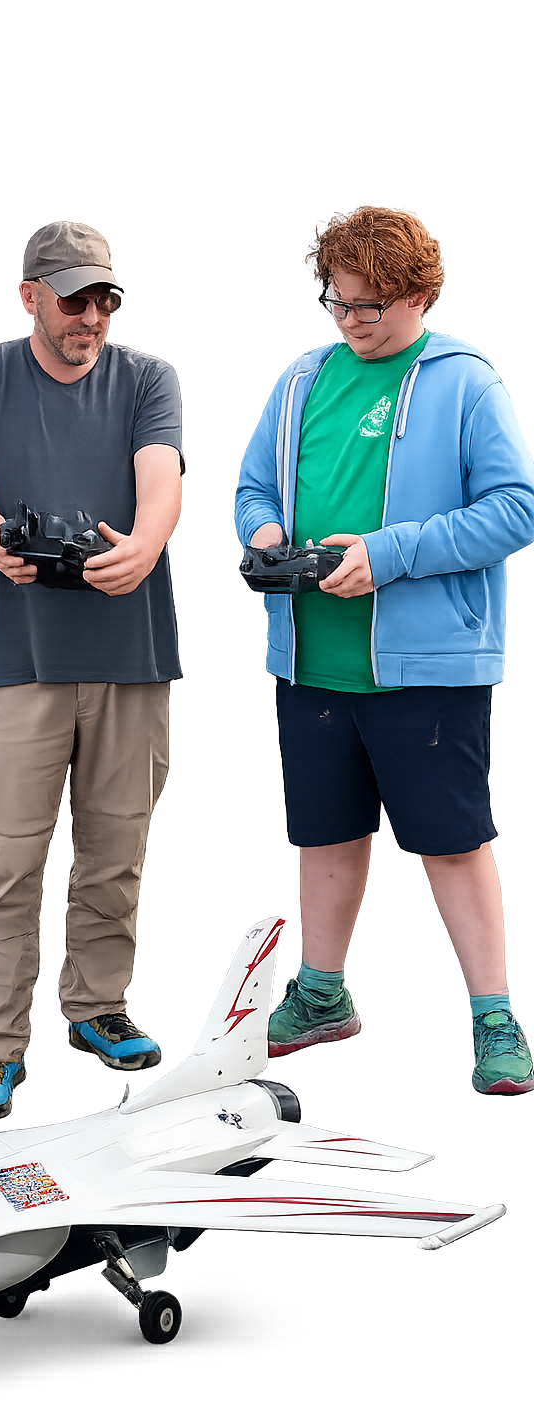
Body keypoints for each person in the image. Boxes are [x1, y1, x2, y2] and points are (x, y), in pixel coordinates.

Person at [236, 206, 534, 1095]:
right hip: (309, 661)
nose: (353, 320)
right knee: (326, 838)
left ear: (419, 295)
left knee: (451, 843)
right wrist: (264, 530)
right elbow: (253, 483)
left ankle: (496, 1018)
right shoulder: (300, 380)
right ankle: (324, 997)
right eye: (338, 301)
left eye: (372, 306)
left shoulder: (468, 384)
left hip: (427, 667)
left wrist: (389, 555)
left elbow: (516, 507)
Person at [0, 221, 184, 1120]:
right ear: (29, 294)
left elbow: (160, 481)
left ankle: (97, 1009)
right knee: (6, 863)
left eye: (105, 298)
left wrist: (146, 546)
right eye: (73, 296)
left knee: (114, 858)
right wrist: (0, 541)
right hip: (18, 660)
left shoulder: (148, 379)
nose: (92, 315)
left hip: (131, 658)